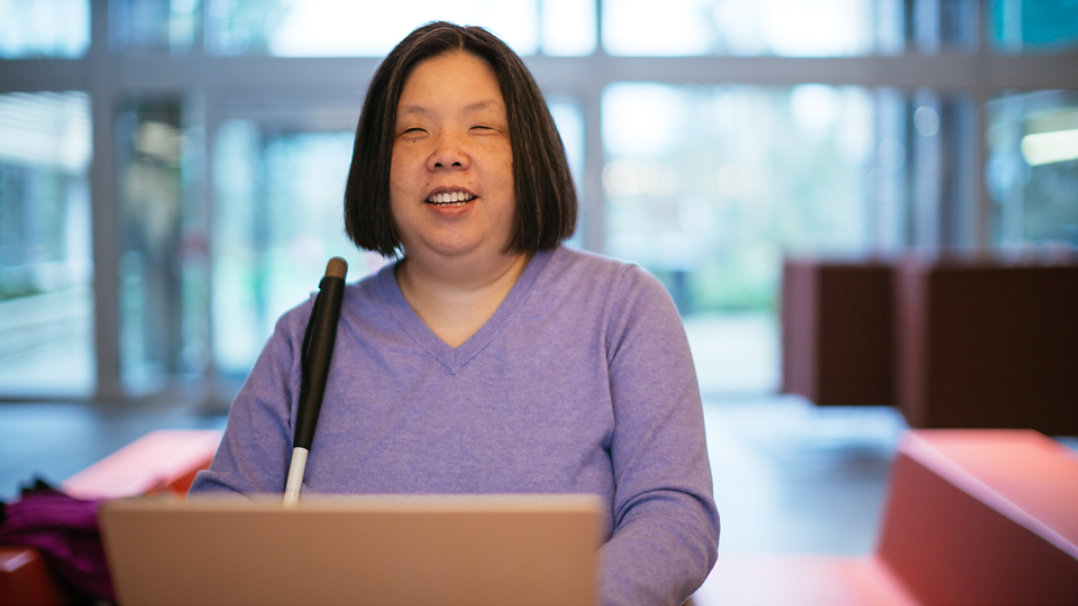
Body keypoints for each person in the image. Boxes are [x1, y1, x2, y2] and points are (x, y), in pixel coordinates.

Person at [190, 21, 719, 606]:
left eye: (482, 127)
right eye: (413, 131)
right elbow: (221, 522)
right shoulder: (308, 335)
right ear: (377, 166)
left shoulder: (622, 309)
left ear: (528, 153)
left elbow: (673, 518)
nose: (446, 154)